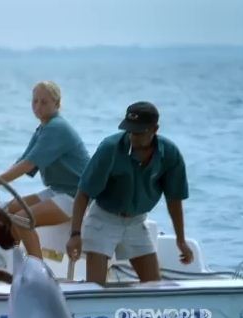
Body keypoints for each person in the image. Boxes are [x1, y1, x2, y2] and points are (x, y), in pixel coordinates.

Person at [66, 101, 194, 285]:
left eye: (139, 132)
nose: (133, 136)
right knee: (96, 288)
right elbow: (83, 193)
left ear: (154, 129)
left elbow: (174, 199)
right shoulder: (110, 148)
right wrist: (75, 234)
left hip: (137, 221)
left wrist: (181, 240)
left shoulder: (170, 154)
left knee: (154, 286)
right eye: (130, 130)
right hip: (103, 219)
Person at [0, 81, 90, 259]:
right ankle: (14, 265)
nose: (38, 106)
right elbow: (22, 160)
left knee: (21, 220)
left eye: (44, 102)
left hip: (77, 196)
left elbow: (28, 165)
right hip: (58, 190)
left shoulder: (57, 128)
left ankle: (38, 273)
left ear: (57, 104)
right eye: (35, 101)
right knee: (9, 209)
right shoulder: (43, 128)